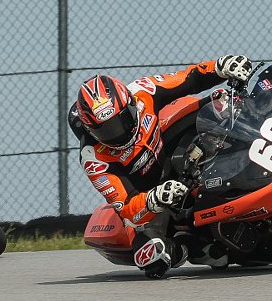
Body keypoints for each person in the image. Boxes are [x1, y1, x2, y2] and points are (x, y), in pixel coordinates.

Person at [69, 55, 252, 278]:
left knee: (221, 103)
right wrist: (153, 199)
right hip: (147, 195)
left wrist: (220, 67)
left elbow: (189, 78)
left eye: (122, 120)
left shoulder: (143, 90)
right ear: (91, 131)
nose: (119, 133)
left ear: (130, 103)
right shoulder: (93, 158)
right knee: (150, 256)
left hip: (167, 151)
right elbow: (126, 207)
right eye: (106, 130)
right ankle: (186, 247)